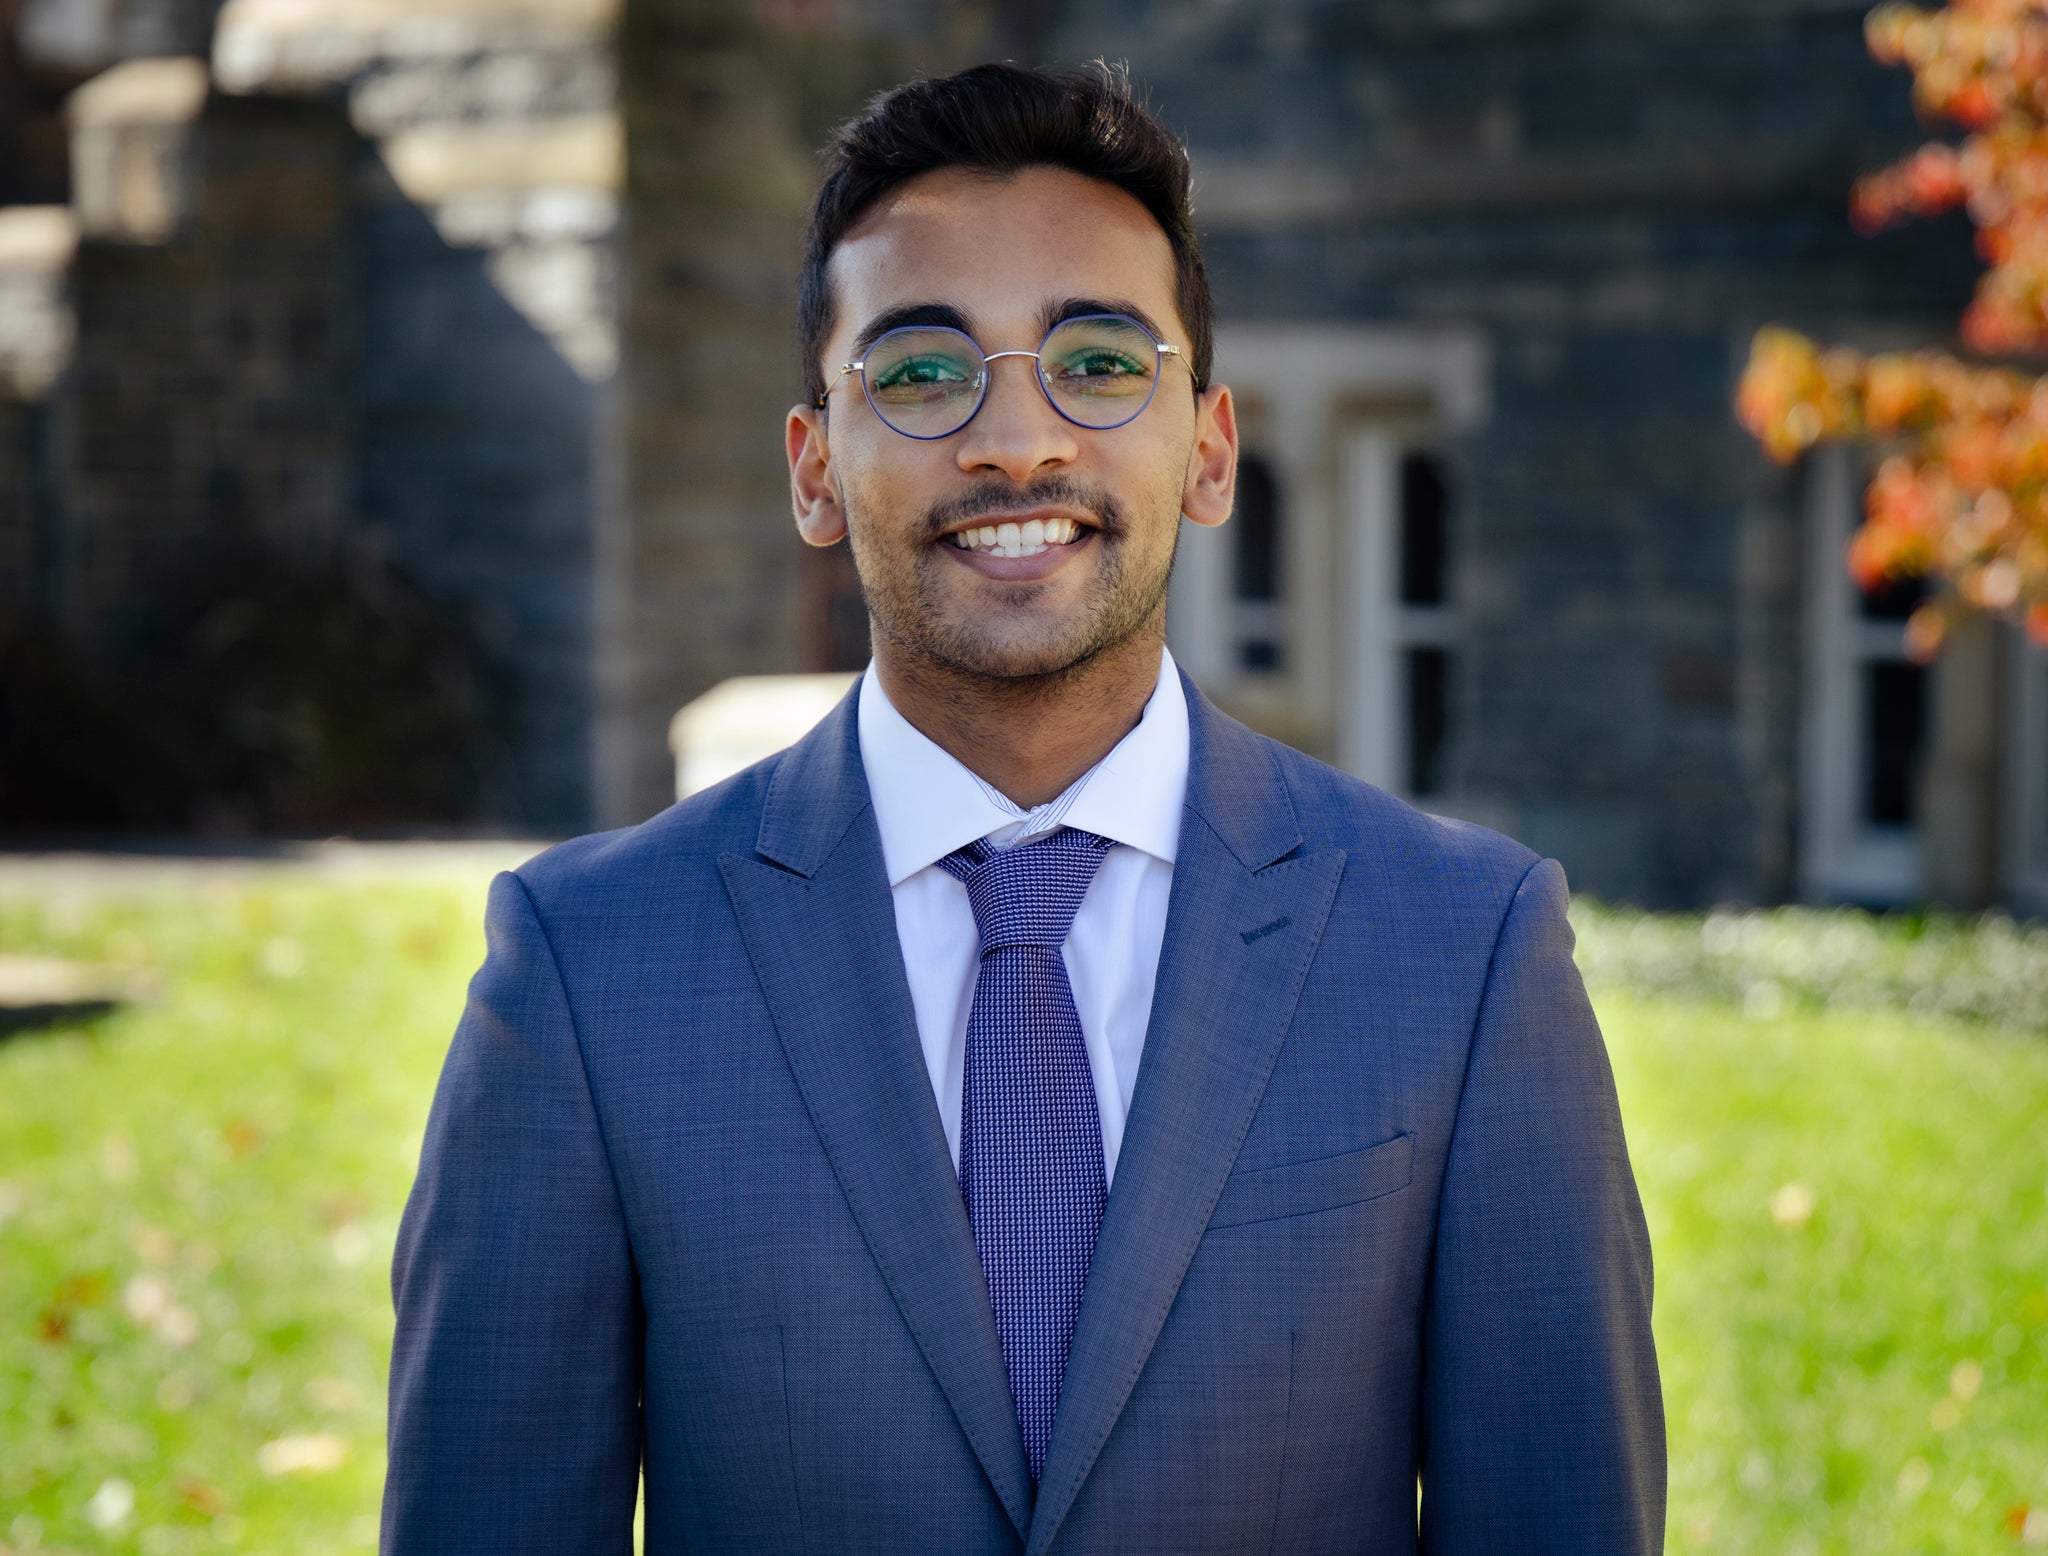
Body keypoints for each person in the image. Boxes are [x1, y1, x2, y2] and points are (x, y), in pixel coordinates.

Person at [383, 61, 1664, 1554]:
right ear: (814, 469)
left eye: (1102, 362)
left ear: (1210, 446)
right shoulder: (587, 969)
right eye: (922, 373)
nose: (1017, 441)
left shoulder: (1464, 952)